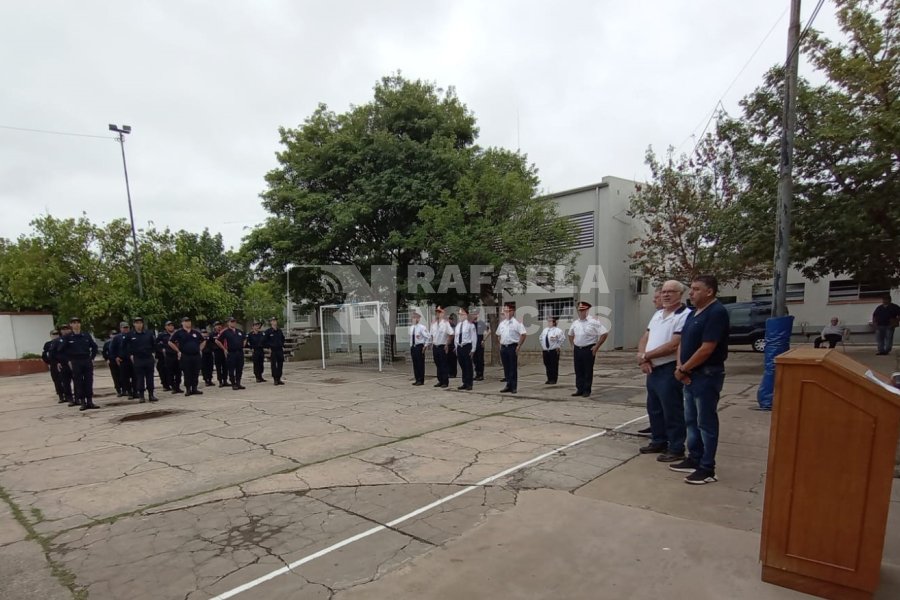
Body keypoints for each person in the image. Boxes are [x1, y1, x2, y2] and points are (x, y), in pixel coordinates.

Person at [671, 275, 730, 485]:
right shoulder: (693, 313)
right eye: (691, 289)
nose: (691, 293)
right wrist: (681, 367)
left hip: (707, 375)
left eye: (696, 289)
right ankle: (694, 457)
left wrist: (684, 368)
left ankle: (707, 468)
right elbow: (682, 342)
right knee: (691, 420)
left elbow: (707, 349)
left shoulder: (717, 312)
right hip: (689, 375)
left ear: (709, 292)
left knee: (705, 422)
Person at [636, 280, 690, 462]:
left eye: (671, 292)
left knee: (672, 410)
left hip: (668, 368)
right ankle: (658, 440)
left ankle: (676, 447)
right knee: (654, 408)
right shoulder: (658, 314)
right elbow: (645, 336)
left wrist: (646, 356)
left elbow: (674, 344)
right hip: (653, 368)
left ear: (680, 294)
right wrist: (642, 357)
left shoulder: (685, 315)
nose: (666, 295)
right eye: (664, 292)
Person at [567, 301, 608, 398]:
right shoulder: (575, 323)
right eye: (579, 310)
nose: (581, 312)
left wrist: (597, 346)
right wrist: (573, 346)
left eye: (583, 310)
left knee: (587, 370)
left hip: (588, 349)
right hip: (577, 349)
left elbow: (604, 333)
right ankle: (579, 389)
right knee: (578, 370)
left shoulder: (593, 322)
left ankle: (586, 390)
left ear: (587, 310)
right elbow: (570, 334)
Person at [58, 317, 99, 411]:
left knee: (89, 381)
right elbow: (61, 351)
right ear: (71, 325)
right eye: (74, 323)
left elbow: (94, 347)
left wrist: (92, 358)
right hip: (75, 361)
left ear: (80, 324)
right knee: (78, 382)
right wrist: (68, 360)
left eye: (78, 323)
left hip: (86, 360)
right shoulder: (68, 337)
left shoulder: (86, 335)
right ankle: (82, 402)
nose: (76, 325)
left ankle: (90, 401)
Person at [169, 317, 205, 396]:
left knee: (196, 372)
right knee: (187, 372)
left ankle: (194, 388)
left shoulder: (195, 332)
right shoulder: (179, 332)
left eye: (189, 321)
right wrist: (178, 351)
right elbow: (170, 342)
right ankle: (188, 389)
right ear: (182, 323)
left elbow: (203, 340)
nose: (188, 323)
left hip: (195, 355)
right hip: (186, 355)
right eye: (186, 321)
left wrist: (200, 349)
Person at [125, 316, 158, 403]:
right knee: (140, 378)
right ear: (134, 324)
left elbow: (154, 344)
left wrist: (154, 354)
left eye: (140, 323)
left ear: (143, 324)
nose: (139, 325)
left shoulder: (148, 333)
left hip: (148, 358)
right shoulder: (130, 335)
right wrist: (130, 355)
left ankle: (151, 394)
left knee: (150, 377)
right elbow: (126, 347)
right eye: (137, 323)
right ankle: (141, 396)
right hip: (138, 359)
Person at [496, 303, 527, 394]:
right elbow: (498, 335)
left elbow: (523, 334)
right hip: (504, 347)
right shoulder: (502, 324)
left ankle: (513, 386)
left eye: (507, 311)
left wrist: (519, 345)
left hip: (512, 346)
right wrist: (500, 344)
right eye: (504, 311)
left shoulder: (517, 323)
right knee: (506, 367)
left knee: (512, 367)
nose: (505, 313)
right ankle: (508, 385)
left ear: (512, 311)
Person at [217, 317, 246, 390]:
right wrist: (224, 349)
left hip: (239, 352)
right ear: (228, 323)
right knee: (231, 369)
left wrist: (243, 344)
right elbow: (217, 341)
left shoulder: (239, 331)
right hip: (231, 352)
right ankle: (233, 383)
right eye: (232, 322)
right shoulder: (225, 331)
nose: (233, 323)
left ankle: (238, 382)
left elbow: (245, 338)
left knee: (239, 368)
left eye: (234, 322)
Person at [428, 307, 453, 388]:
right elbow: (431, 335)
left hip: (442, 346)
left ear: (443, 314)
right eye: (437, 312)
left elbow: (451, 334)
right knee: (438, 364)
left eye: (440, 312)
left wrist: (447, 344)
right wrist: (432, 343)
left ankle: (445, 382)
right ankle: (440, 380)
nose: (438, 314)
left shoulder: (446, 323)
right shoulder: (433, 323)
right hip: (435, 346)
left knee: (444, 364)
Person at [51, 324, 76, 406]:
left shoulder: (75, 338)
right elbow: (52, 354)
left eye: (67, 329)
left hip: (75, 363)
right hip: (63, 365)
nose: (65, 331)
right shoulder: (57, 341)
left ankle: (78, 398)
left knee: (77, 381)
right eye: (63, 329)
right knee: (66, 383)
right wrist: (57, 362)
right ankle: (70, 399)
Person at [157, 321, 183, 394]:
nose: (171, 327)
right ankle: (173, 386)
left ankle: (178, 386)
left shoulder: (177, 334)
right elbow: (157, 344)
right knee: (170, 372)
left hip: (177, 355)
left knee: (178, 372)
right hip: (168, 355)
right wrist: (162, 350)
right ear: (165, 327)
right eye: (169, 325)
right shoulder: (162, 335)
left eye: (172, 325)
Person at [454, 307, 477, 390]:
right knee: (462, 365)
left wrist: (473, 349)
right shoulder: (458, 326)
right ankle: (464, 382)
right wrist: (456, 347)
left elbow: (474, 337)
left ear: (466, 315)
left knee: (468, 365)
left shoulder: (470, 325)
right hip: (460, 347)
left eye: (462, 314)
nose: (460, 316)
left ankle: (469, 383)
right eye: (459, 314)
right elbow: (456, 337)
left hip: (467, 346)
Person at [110, 321, 133, 398]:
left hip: (133, 359)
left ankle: (135, 391)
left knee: (135, 376)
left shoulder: (133, 335)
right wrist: (116, 357)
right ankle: (129, 392)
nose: (126, 329)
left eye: (127, 327)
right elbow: (112, 349)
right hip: (123, 360)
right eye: (124, 328)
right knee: (125, 377)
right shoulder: (117, 338)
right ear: (120, 328)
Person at [42, 329, 65, 403]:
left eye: (57, 334)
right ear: (51, 335)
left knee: (65, 380)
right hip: (53, 365)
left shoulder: (62, 342)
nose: (55, 335)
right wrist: (49, 362)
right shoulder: (48, 344)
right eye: (54, 334)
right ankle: (61, 396)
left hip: (62, 364)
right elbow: (44, 355)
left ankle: (68, 395)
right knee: (57, 380)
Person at [539, 315, 564, 385]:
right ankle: (549, 378)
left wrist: (558, 346)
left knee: (554, 365)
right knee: (547, 364)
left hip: (553, 350)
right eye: (548, 321)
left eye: (550, 321)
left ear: (554, 322)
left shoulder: (558, 331)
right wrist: (543, 346)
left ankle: (553, 379)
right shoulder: (545, 330)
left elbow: (562, 339)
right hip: (546, 350)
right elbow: (540, 338)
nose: (549, 322)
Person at [263, 317, 286, 385]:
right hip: (273, 350)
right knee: (274, 365)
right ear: (271, 322)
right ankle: (275, 379)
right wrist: (269, 347)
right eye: (273, 321)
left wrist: (282, 345)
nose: (274, 322)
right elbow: (263, 341)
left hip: (279, 350)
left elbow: (282, 338)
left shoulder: (279, 330)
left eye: (275, 320)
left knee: (280, 364)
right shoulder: (268, 331)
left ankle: (279, 378)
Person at [409, 311, 429, 386]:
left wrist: (425, 346)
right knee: (415, 364)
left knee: (420, 364)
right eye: (413, 317)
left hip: (419, 347)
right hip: (413, 347)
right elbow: (411, 338)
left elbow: (428, 337)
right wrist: (411, 346)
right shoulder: (411, 327)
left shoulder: (422, 327)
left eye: (415, 317)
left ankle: (421, 380)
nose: (413, 319)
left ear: (418, 319)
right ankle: (417, 379)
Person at [101, 329, 122, 396]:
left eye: (115, 334)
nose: (114, 336)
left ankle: (125, 389)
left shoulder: (119, 341)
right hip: (112, 361)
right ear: (110, 335)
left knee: (122, 375)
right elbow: (104, 352)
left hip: (120, 360)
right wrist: (107, 359)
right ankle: (118, 390)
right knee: (115, 376)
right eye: (112, 334)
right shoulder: (107, 343)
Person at [471, 308, 487, 381]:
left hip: (480, 344)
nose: (474, 315)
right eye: (473, 314)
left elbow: (489, 331)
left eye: (475, 314)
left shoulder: (481, 323)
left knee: (480, 360)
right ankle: (477, 374)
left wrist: (484, 340)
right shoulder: (471, 324)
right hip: (473, 344)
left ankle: (481, 375)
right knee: (475, 360)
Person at [211, 321, 228, 387]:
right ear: (214, 327)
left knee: (225, 366)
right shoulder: (212, 334)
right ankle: (220, 381)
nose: (219, 326)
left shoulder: (224, 333)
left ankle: (225, 380)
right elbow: (210, 342)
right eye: (217, 325)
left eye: (220, 325)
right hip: (217, 351)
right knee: (218, 367)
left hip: (224, 351)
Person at [447, 313, 458, 378]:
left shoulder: (454, 327)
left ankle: (453, 373)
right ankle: (449, 372)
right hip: (447, 345)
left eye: (449, 320)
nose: (448, 321)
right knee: (448, 360)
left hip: (453, 345)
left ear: (451, 320)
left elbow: (454, 335)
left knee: (453, 360)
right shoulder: (447, 327)